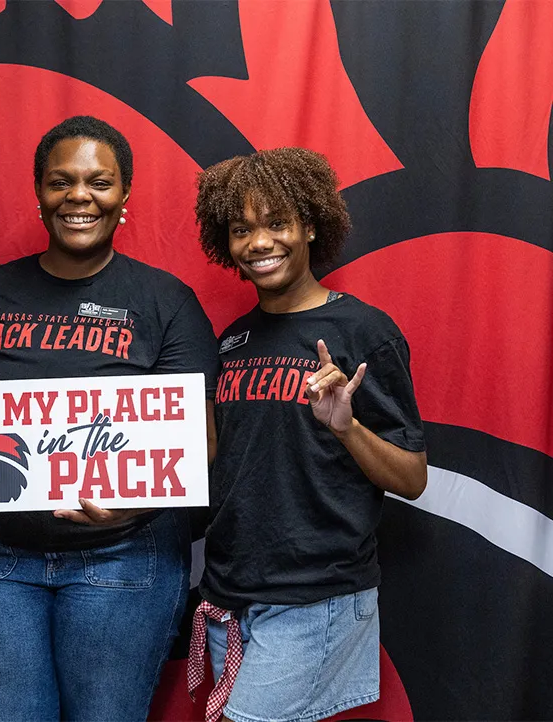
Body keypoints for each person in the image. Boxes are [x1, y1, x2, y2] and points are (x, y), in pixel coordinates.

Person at [0, 115, 219, 720]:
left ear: (123, 197)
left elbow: (199, 441)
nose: (78, 197)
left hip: (124, 555)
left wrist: (132, 504)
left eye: (99, 183)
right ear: (39, 193)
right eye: (61, 182)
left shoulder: (166, 303)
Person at [188, 147, 428, 722]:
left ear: (311, 226)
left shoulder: (363, 330)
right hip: (231, 590)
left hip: (314, 593)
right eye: (242, 229)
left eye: (276, 223)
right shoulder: (232, 341)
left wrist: (347, 429)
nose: (260, 242)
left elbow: (413, 477)